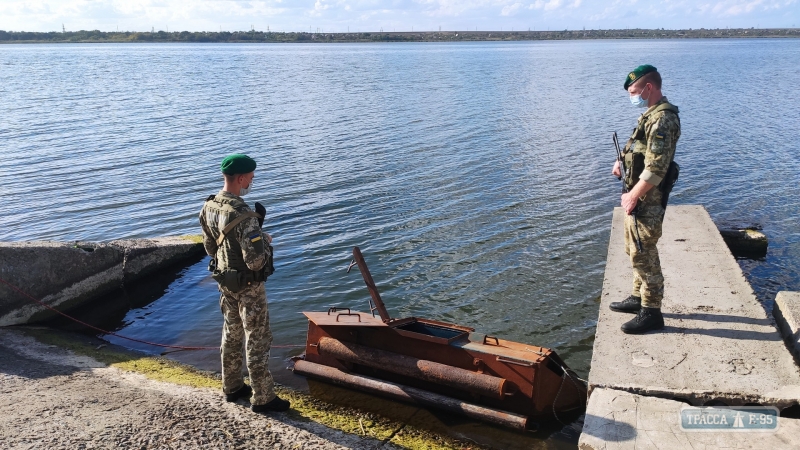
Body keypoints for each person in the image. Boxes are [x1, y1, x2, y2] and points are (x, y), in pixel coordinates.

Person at [199, 154, 289, 412]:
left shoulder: (209, 206)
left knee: (231, 333)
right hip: (249, 287)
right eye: (250, 177)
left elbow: (209, 248)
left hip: (225, 282)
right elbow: (255, 263)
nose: (252, 181)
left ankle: (232, 386)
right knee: (258, 338)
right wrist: (265, 241)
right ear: (240, 179)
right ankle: (263, 397)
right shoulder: (244, 214)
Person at [609, 65, 681, 334]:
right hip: (637, 195)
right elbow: (639, 150)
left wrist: (632, 196)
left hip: (646, 199)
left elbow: (656, 169)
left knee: (645, 254)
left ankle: (651, 311)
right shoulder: (650, 115)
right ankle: (637, 297)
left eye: (634, 92)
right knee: (633, 250)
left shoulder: (662, 119)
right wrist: (620, 161)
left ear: (648, 88)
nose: (632, 97)